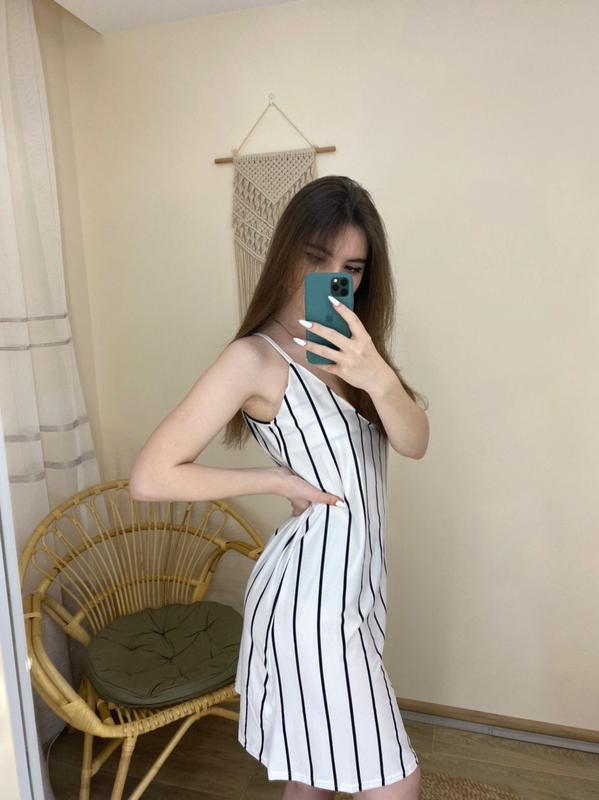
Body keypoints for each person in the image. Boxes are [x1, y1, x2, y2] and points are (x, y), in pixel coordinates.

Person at [129, 175, 429, 799]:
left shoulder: (356, 350)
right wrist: (273, 478)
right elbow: (150, 476)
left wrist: (376, 375)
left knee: (311, 774)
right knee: (396, 782)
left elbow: (414, 441)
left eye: (352, 267)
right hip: (310, 602)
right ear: (288, 252)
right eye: (317, 258)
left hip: (359, 586)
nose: (332, 277)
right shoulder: (255, 359)